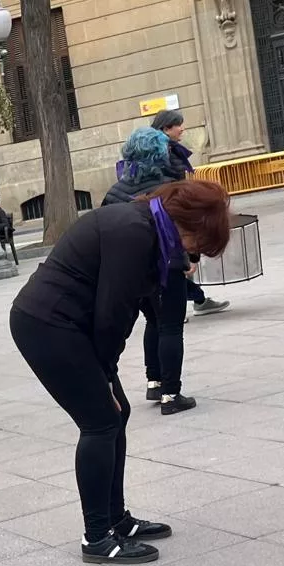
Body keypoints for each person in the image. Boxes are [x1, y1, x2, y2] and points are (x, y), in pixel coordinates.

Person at [9, 180, 232, 564]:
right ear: (189, 225)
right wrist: (105, 371)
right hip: (46, 323)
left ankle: (117, 519)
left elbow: (137, 306)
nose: (196, 254)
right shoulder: (134, 231)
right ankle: (96, 536)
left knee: (117, 414)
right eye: (199, 244)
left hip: (68, 323)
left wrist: (106, 373)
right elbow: (112, 314)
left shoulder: (150, 230)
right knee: (100, 422)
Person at [104, 128, 198, 414]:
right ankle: (171, 393)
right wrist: (191, 257)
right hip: (168, 266)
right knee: (170, 326)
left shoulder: (115, 192)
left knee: (153, 321)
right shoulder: (171, 186)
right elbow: (187, 228)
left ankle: (154, 381)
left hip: (133, 271)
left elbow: (105, 231)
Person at [149, 109, 230, 317]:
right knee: (178, 259)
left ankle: (192, 301)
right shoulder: (168, 154)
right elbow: (176, 193)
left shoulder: (157, 151)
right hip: (169, 217)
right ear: (166, 129)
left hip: (160, 215)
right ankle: (186, 304)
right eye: (178, 125)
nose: (182, 129)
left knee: (177, 259)